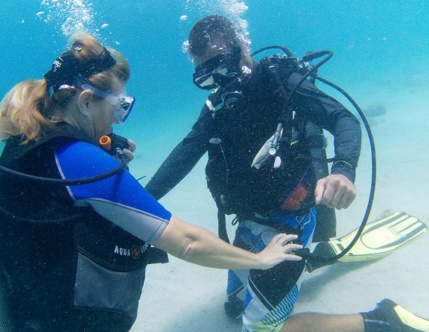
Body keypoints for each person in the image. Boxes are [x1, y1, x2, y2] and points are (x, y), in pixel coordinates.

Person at [0, 32, 304, 332]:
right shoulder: (81, 161)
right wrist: (260, 259)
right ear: (85, 102)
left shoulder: (24, 141)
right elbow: (187, 241)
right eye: (120, 105)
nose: (119, 119)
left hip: (28, 310)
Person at [145, 15, 429, 332]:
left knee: (264, 328)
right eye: (209, 73)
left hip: (288, 221)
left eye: (224, 64)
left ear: (244, 47)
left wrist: (343, 169)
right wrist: (137, 204)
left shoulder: (279, 80)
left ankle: (382, 320)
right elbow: (184, 154)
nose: (222, 79)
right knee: (235, 307)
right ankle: (296, 265)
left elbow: (343, 119)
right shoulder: (217, 106)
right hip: (249, 219)